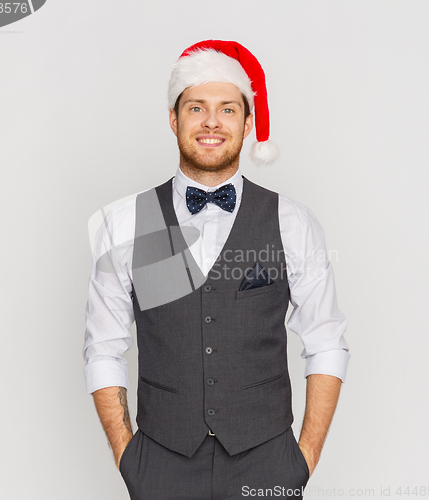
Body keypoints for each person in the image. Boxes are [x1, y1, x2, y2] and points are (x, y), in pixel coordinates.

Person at [82, 39, 351, 500]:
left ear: (248, 123)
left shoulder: (292, 222)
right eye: (196, 108)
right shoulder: (125, 223)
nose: (211, 122)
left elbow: (326, 341)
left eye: (228, 109)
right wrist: (129, 458)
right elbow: (103, 348)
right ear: (173, 119)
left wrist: (302, 459)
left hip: (267, 463)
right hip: (160, 465)